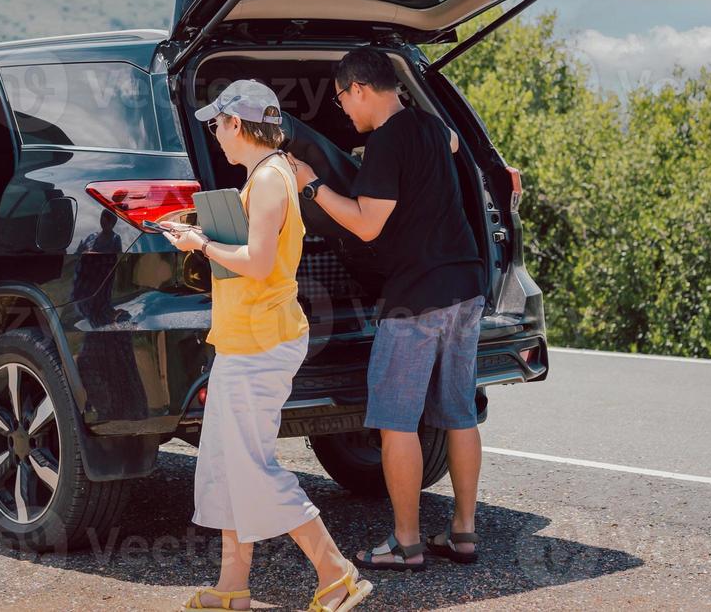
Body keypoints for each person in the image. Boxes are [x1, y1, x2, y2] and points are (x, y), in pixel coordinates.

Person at [164, 80, 372, 612]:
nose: (214, 134)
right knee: (224, 463)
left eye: (218, 124)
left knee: (251, 465)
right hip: (245, 338)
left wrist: (200, 243)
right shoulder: (263, 176)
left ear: (238, 124)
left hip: (261, 342)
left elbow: (257, 263)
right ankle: (233, 586)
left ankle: (338, 573)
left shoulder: (272, 180)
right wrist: (193, 226)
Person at [288, 48, 486, 573]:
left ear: (358, 89)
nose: (344, 111)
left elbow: (366, 224)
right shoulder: (426, 123)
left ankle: (406, 542)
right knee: (459, 413)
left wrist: (312, 183)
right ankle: (463, 533)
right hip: (466, 283)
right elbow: (450, 142)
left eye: (341, 99)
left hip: (418, 295)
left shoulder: (385, 142)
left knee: (397, 423)